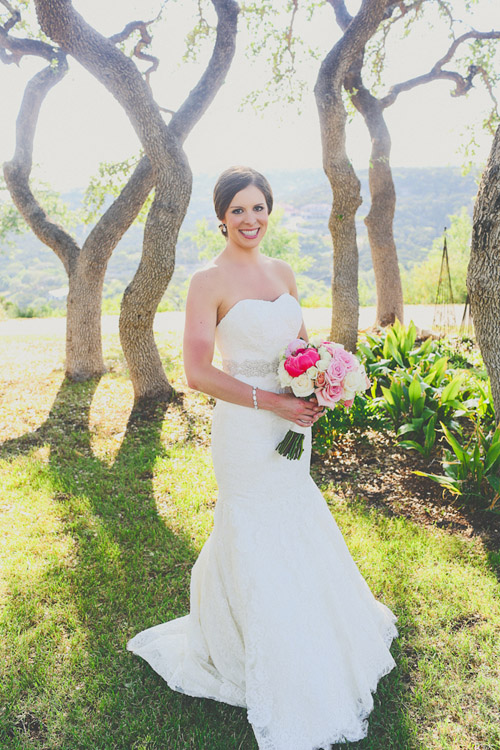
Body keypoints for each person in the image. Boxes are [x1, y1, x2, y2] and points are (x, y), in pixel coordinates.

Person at [127, 166, 398, 749]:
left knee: (295, 514)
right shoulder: (208, 280)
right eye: (238, 210)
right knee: (251, 526)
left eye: (259, 208)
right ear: (221, 217)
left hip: (291, 426)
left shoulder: (281, 272)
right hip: (246, 429)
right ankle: (252, 646)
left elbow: (300, 347)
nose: (250, 219)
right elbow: (197, 371)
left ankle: (314, 632)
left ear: (268, 212)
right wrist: (269, 398)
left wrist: (318, 385)